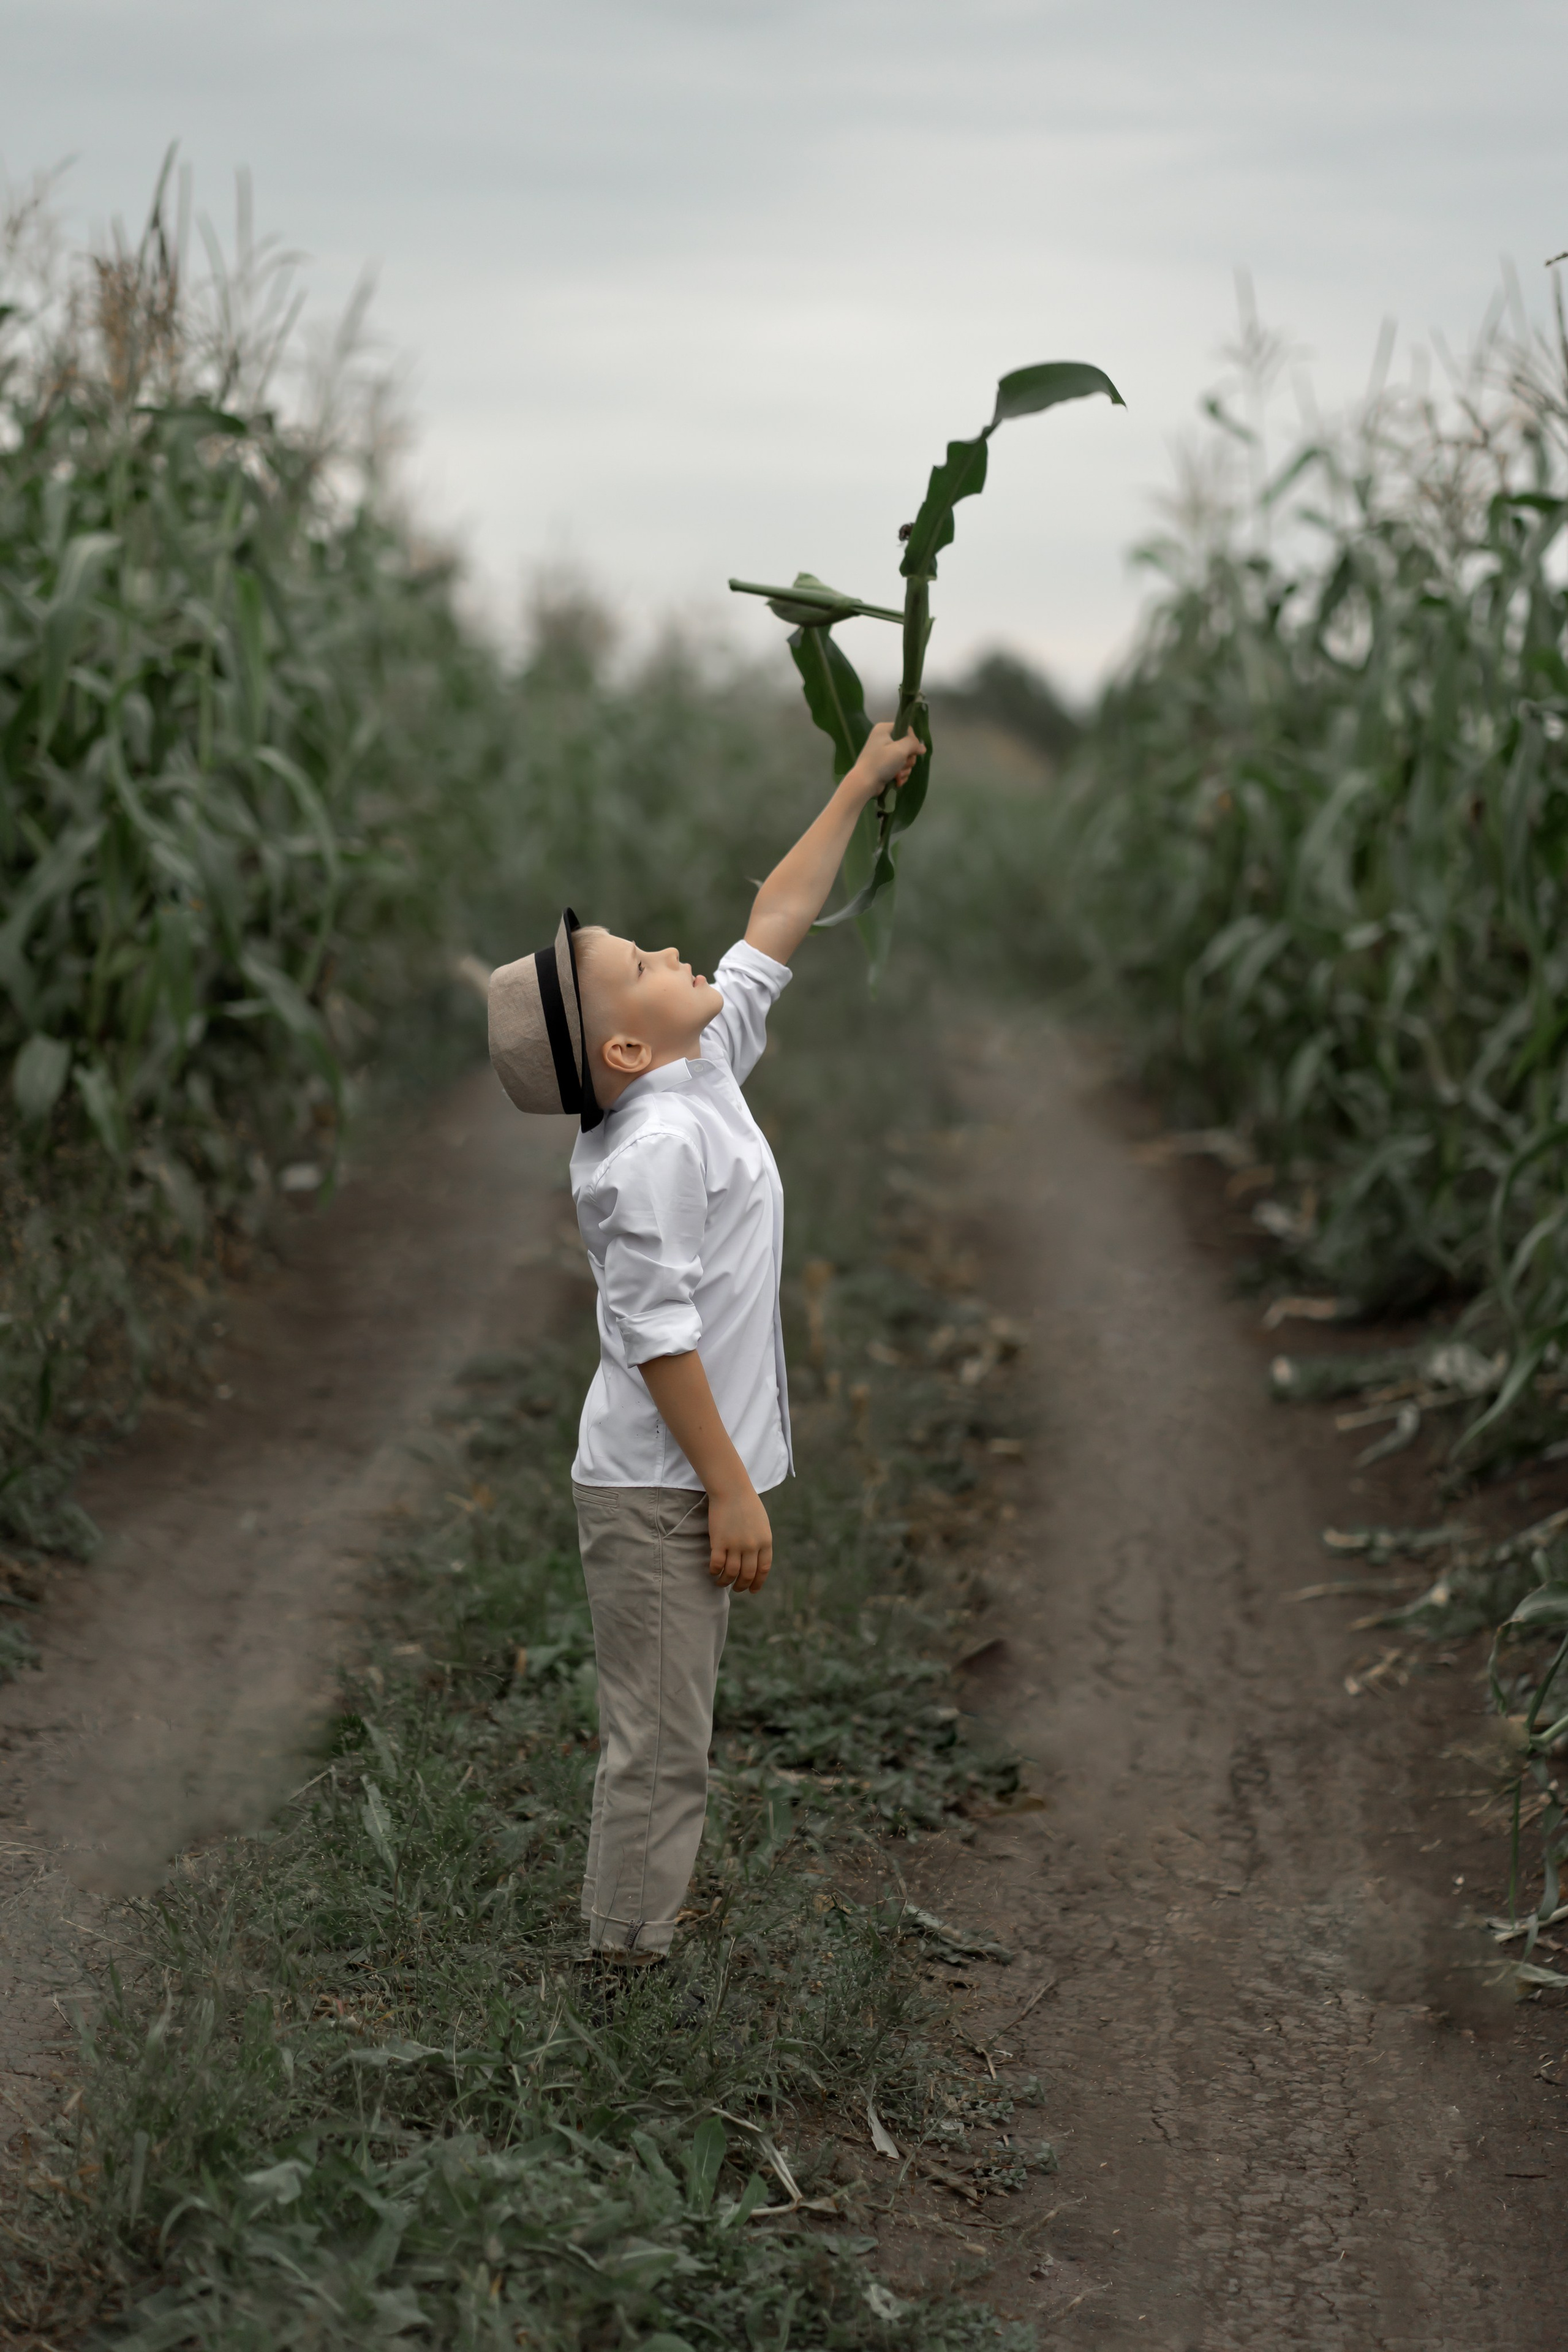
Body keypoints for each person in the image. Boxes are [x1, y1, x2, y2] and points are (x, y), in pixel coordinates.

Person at [486, 718, 921, 1964]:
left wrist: (858, 783)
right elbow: (657, 1336)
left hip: (677, 1479)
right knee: (662, 1744)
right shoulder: (656, 1148)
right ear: (626, 1048)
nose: (676, 950)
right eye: (644, 961)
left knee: (672, 1724)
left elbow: (774, 919)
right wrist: (729, 1487)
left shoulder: (692, 1071)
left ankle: (630, 1937)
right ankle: (622, 1969)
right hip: (663, 1490)